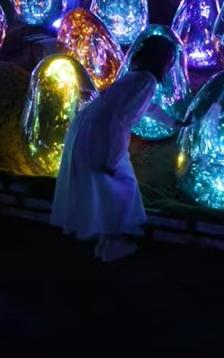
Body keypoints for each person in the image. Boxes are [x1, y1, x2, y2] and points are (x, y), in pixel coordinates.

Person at [51, 36, 184, 262]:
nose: (172, 64)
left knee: (104, 185)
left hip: (90, 126)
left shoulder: (139, 76)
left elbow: (145, 107)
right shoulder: (148, 80)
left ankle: (107, 241)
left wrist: (172, 122)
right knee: (118, 184)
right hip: (102, 133)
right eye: (171, 59)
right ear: (162, 59)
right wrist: (111, 158)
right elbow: (119, 118)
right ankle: (112, 244)